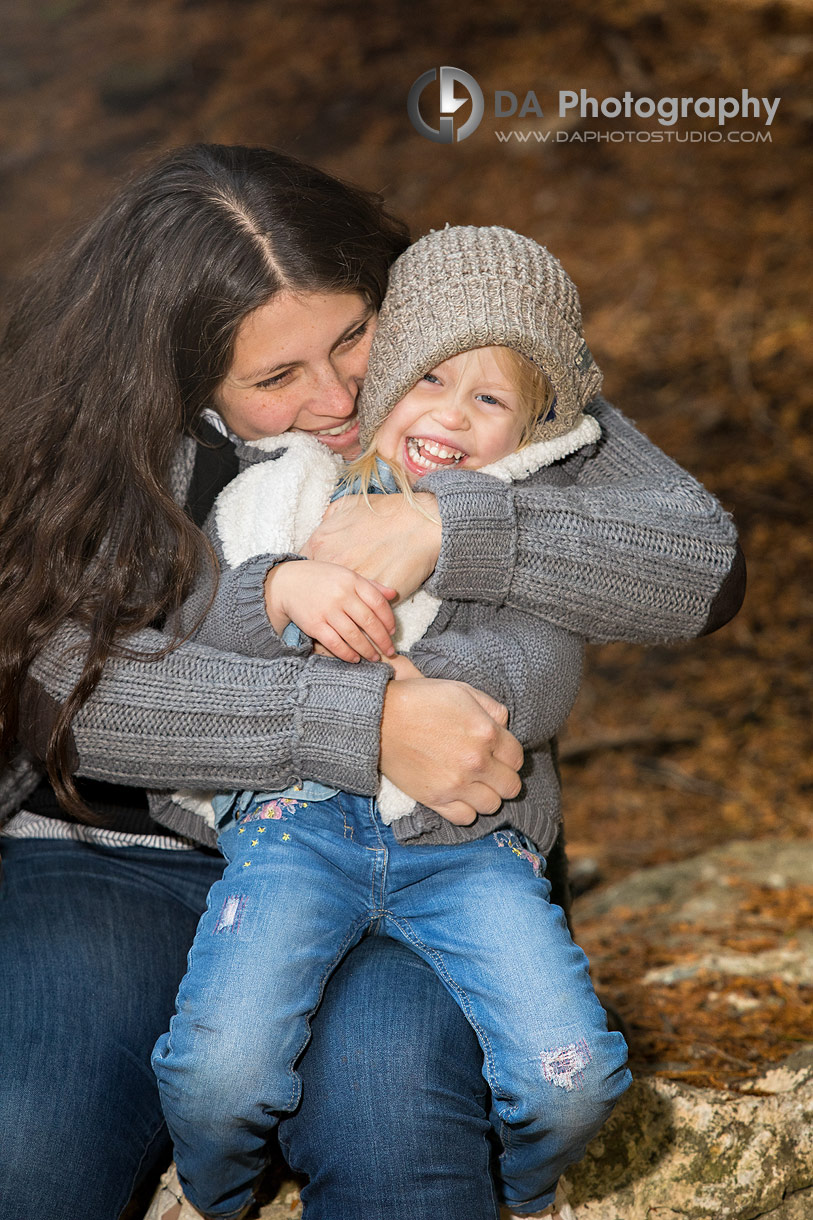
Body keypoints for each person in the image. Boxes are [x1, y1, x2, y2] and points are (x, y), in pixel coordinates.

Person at [0, 144, 744, 1220]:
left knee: (395, 1118)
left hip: (416, 857)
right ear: (183, 377)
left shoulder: (466, 372)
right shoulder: (98, 426)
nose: (344, 396)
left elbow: (702, 568)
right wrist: (361, 719)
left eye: (355, 336)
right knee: (27, 1147)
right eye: (277, 378)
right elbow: (55, 683)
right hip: (108, 858)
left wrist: (450, 522)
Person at [151, 226, 631, 1220]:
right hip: (295, 829)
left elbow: (540, 678)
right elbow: (190, 635)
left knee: (572, 1073)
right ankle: (219, 1187)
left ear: (535, 426)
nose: (450, 415)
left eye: (490, 399)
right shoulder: (280, 493)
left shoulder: (515, 524)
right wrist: (279, 589)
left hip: (467, 850)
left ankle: (527, 1183)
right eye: (428, 378)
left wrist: (427, 672)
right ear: (389, 377)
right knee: (220, 1070)